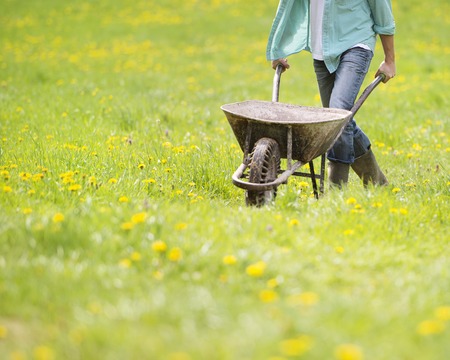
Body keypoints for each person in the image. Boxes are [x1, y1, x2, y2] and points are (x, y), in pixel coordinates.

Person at [266, 0, 395, 187]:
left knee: (337, 114)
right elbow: (288, 4)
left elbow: (381, 8)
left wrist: (389, 60)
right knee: (339, 122)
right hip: (322, 50)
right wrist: (277, 49)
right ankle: (379, 185)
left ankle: (336, 193)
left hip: (357, 43)